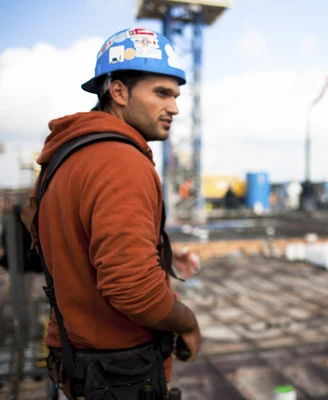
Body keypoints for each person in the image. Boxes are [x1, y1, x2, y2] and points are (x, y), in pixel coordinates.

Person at [21, 28, 201, 399]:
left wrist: (158, 251)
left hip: (73, 353)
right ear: (118, 91)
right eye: (161, 93)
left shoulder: (66, 154)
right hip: (117, 370)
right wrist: (188, 321)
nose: (175, 108)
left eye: (176, 95)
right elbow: (132, 288)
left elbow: (68, 241)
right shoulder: (121, 162)